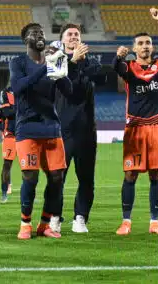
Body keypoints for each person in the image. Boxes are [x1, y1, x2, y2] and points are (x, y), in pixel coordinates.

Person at [112, 8, 158, 236]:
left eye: (148, 43)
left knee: (156, 175)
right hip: (136, 128)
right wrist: (118, 56)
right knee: (130, 175)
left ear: (152, 47)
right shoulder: (129, 68)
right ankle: (126, 221)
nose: (145, 46)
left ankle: (154, 222)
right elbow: (115, 67)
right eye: (140, 43)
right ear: (134, 48)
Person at [9, 23, 72, 239]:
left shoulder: (53, 61)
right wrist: (47, 67)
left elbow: (69, 91)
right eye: (34, 33)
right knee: (31, 177)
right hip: (27, 127)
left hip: (52, 127)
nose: (39, 35)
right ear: (25, 39)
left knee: (56, 178)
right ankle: (25, 223)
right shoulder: (18, 63)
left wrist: (62, 70)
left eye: (42, 33)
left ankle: (44, 224)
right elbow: (18, 87)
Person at [53, 24, 106, 233]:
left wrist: (82, 61)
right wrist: (74, 61)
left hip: (86, 130)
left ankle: (80, 217)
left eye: (77, 34)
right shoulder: (56, 61)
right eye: (70, 34)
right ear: (63, 40)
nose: (74, 37)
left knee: (86, 178)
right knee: (57, 178)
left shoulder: (90, 62)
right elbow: (65, 87)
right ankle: (55, 216)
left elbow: (101, 78)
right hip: (61, 130)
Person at [0, 86, 15, 203]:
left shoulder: (26, 98)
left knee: (28, 168)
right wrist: (5, 130)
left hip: (24, 137)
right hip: (10, 138)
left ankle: (29, 193)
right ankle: (4, 194)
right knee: (7, 165)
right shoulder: (4, 105)